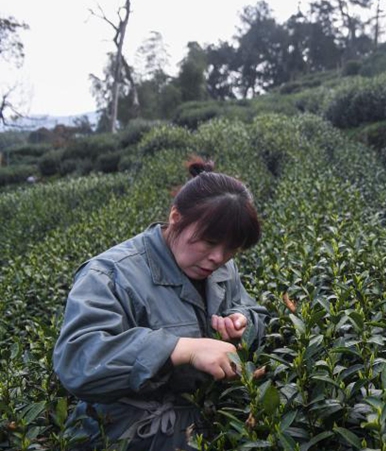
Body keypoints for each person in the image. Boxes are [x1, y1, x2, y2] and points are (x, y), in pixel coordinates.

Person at [53, 157, 269, 450]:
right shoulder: (110, 275)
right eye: (208, 242)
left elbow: (253, 311)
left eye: (231, 248)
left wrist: (242, 322)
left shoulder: (221, 269)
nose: (218, 257)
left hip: (200, 430)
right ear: (176, 218)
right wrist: (180, 349)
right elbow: (79, 362)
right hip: (124, 438)